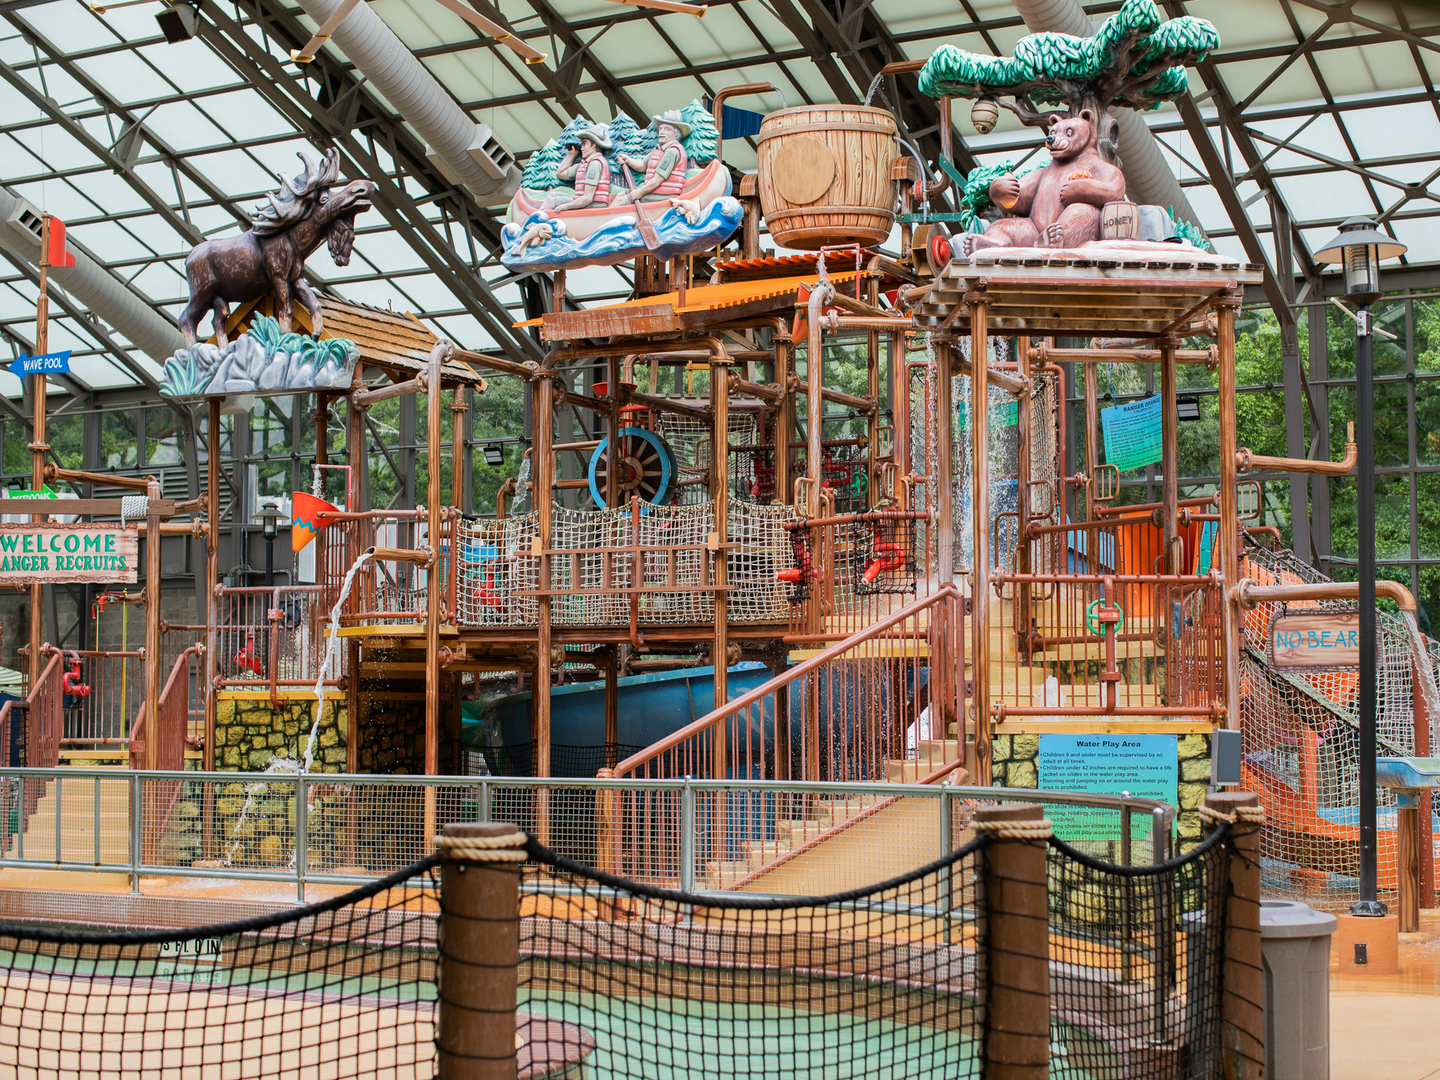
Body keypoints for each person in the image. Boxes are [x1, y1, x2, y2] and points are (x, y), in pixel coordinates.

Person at [614, 110, 690, 204]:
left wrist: (640, 192)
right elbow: (642, 165)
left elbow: (657, 179)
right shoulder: (659, 149)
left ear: (676, 134)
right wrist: (628, 160)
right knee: (619, 195)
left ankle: (605, 218)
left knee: (622, 201)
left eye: (667, 129)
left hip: (663, 195)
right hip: (653, 192)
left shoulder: (672, 151)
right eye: (661, 128)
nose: (662, 132)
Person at [544, 125, 612, 212]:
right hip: (582, 200)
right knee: (551, 195)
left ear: (594, 145)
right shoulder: (585, 163)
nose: (581, 148)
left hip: (595, 204)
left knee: (552, 201)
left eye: (585, 143)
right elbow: (561, 173)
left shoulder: (595, 164)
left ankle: (537, 221)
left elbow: (588, 198)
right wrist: (571, 155)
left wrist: (566, 206)